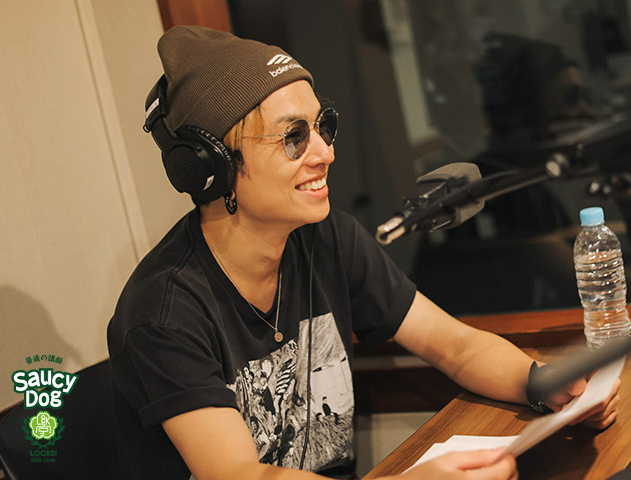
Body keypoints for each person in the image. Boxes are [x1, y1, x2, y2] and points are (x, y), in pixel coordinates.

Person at [107, 26, 620, 480]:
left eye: (323, 126)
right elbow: (236, 474)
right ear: (211, 167)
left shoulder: (328, 239)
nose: (326, 152)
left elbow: (453, 345)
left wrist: (542, 384)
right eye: (293, 137)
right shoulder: (162, 314)